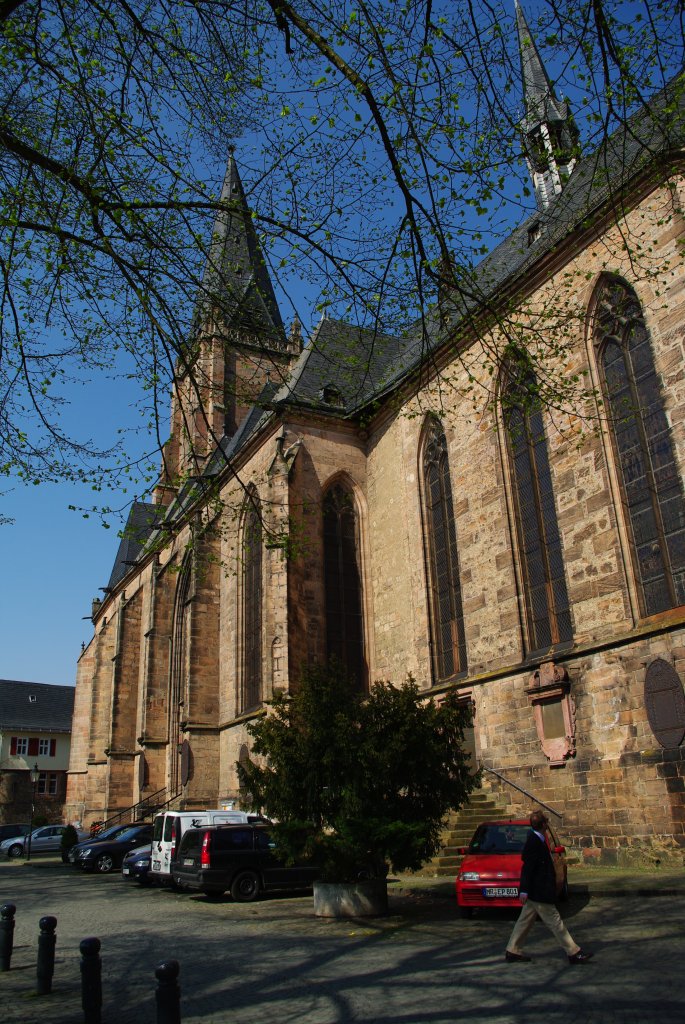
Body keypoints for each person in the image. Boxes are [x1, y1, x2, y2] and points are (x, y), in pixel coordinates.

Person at [505, 809, 593, 965]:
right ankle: (573, 952)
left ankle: (512, 950)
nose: (547, 824)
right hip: (539, 891)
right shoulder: (534, 841)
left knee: (523, 921)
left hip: (535, 893)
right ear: (544, 824)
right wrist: (524, 890)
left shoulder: (537, 838)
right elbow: (528, 867)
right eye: (546, 822)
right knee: (556, 922)